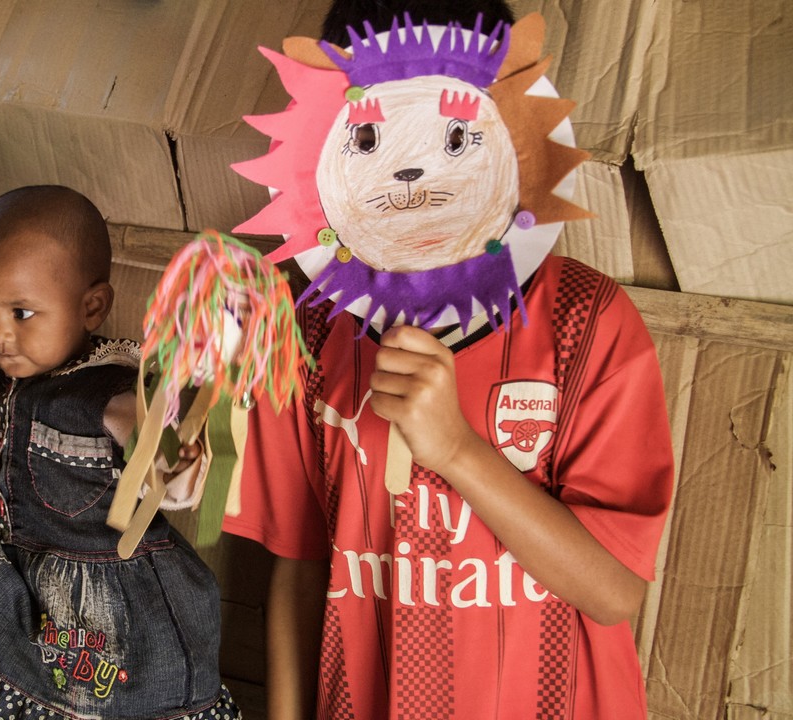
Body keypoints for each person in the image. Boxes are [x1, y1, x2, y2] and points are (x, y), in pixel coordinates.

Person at [221, 2, 676, 719]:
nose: (409, 171)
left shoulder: (587, 323)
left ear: (512, 135)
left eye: (454, 137)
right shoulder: (305, 330)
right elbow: (301, 565)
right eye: (372, 137)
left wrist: (458, 448)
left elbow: (615, 591)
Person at [0, 185, 240, 720]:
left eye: (21, 312)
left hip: (112, 613)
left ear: (92, 306)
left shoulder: (105, 393)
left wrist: (173, 467)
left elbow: (155, 453)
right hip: (42, 599)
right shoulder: (17, 383)